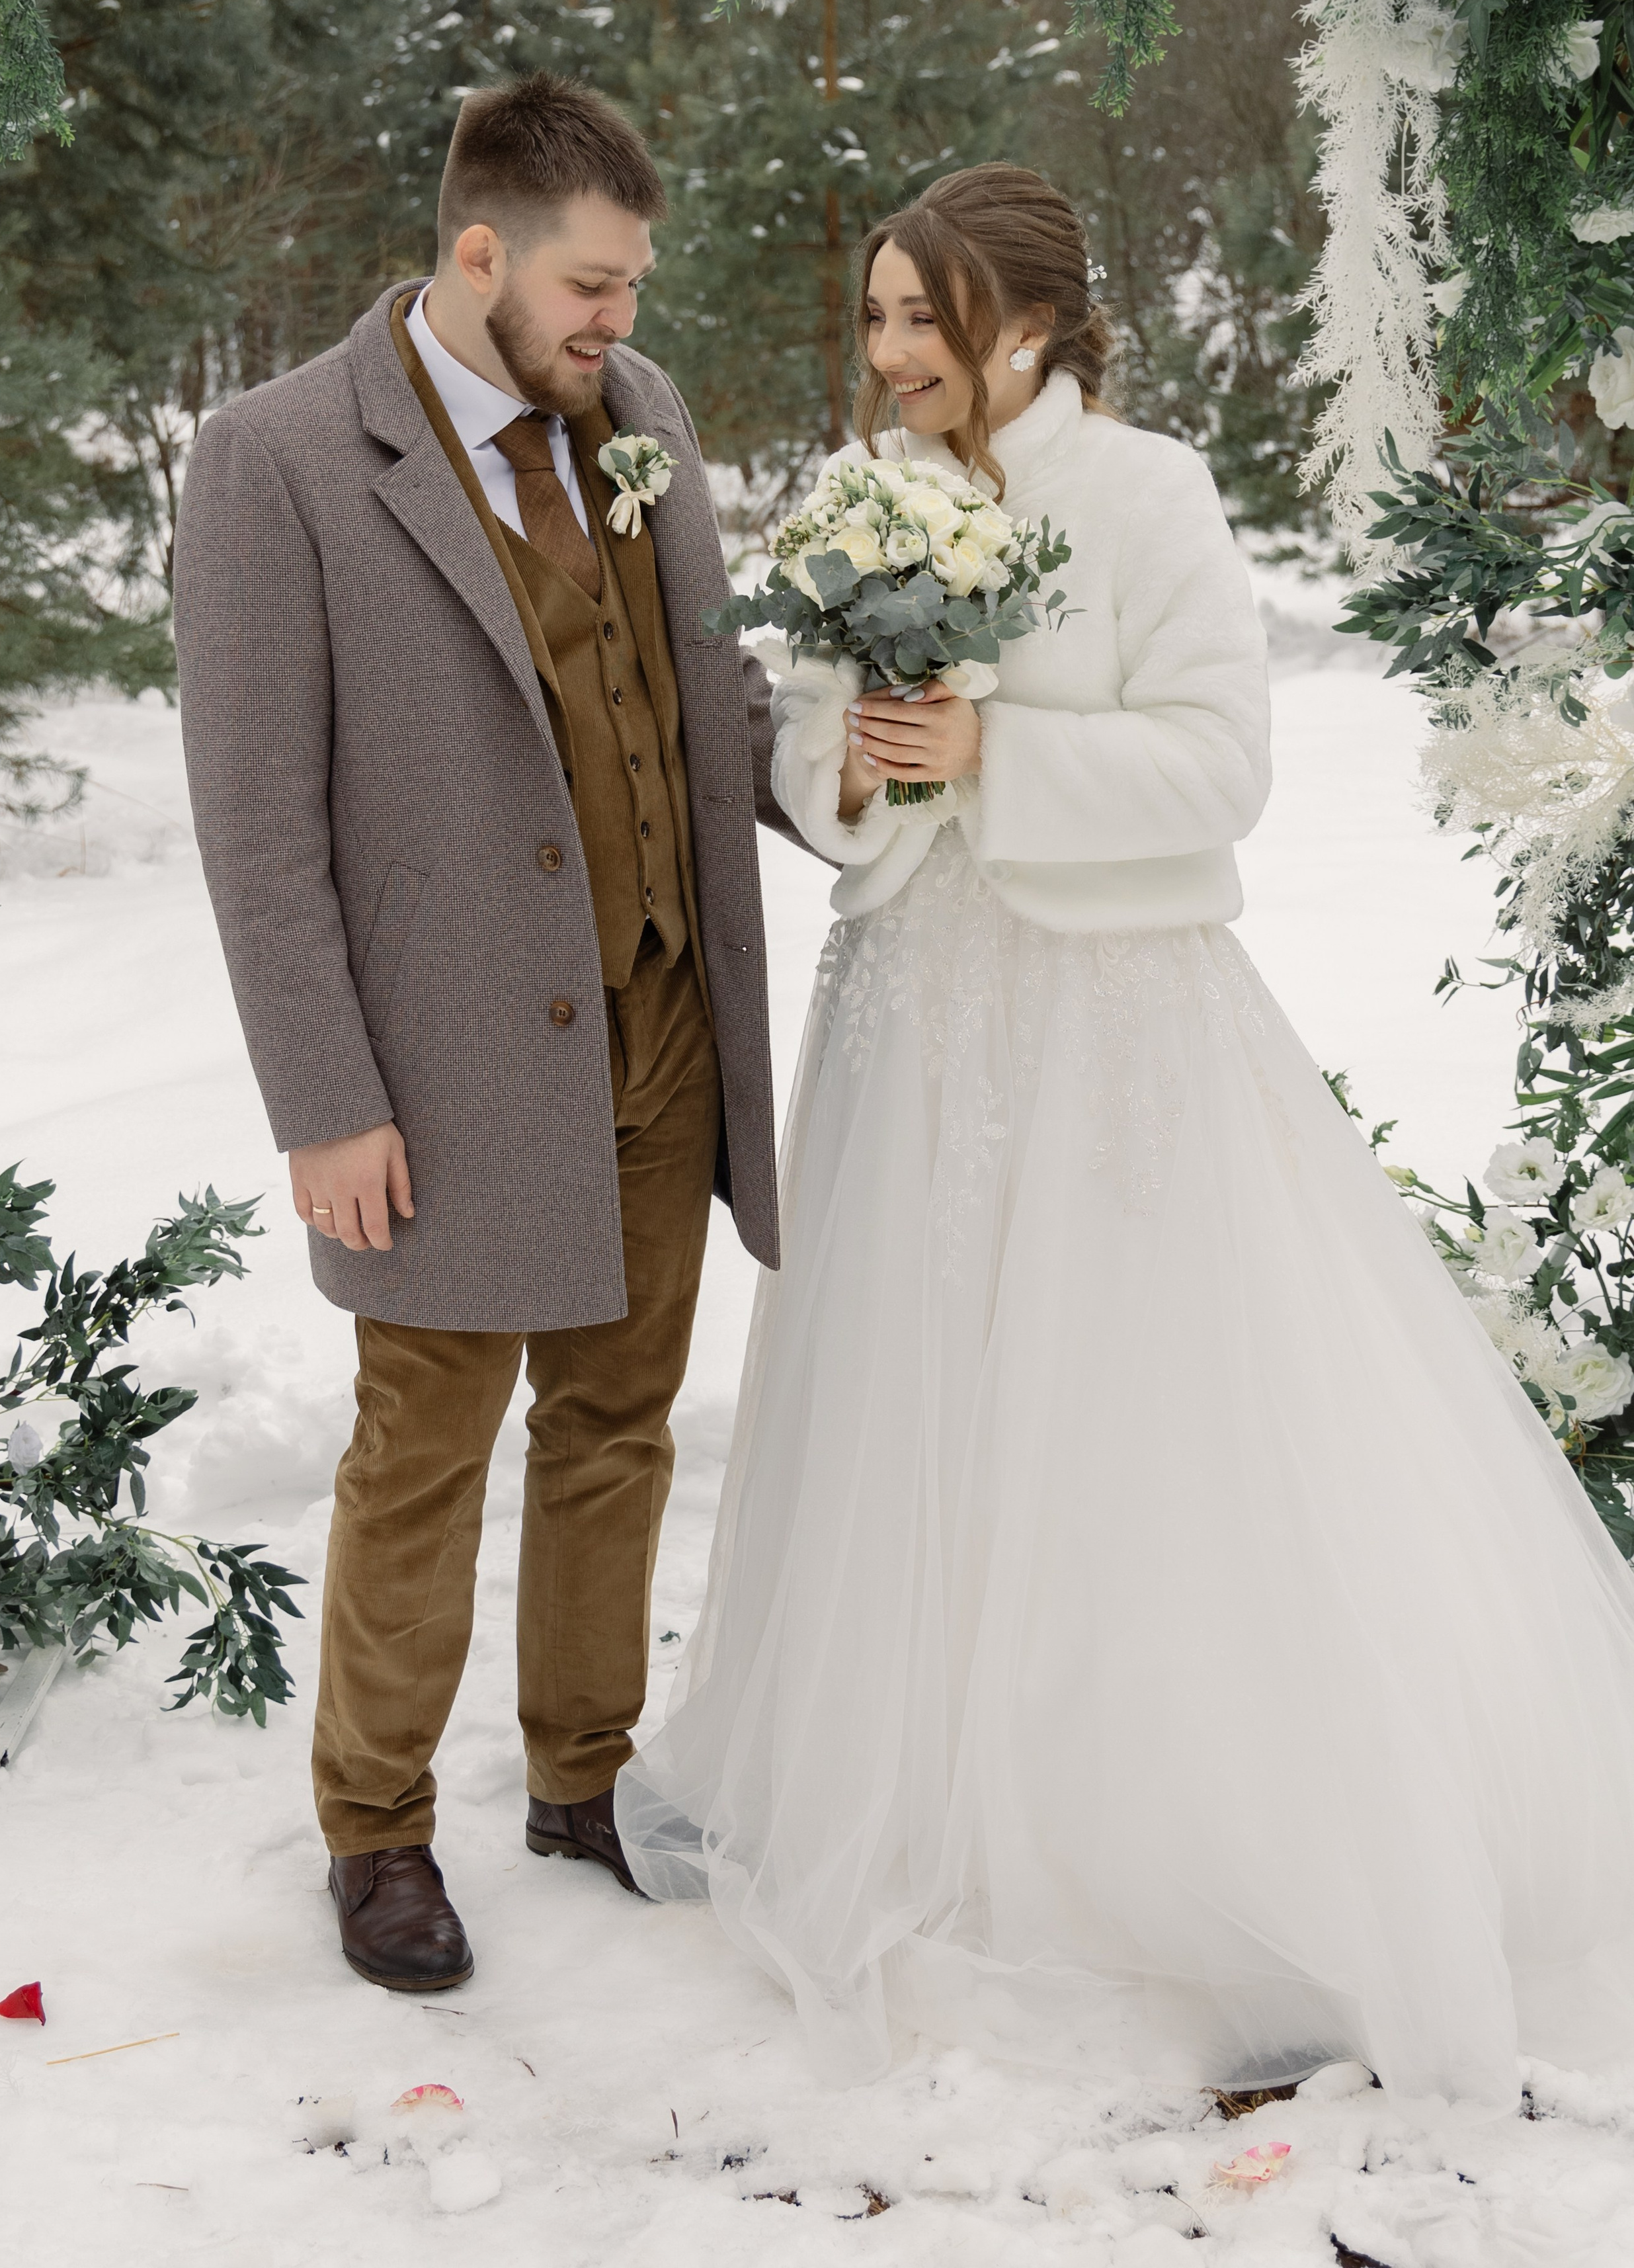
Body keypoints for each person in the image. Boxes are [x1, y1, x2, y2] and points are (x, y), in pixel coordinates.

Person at [615, 162, 1634, 2115]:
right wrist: (849, 761)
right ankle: (913, 1789)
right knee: (924, 1402)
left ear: (1026, 321)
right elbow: (820, 763)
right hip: (916, 1016)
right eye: (879, 319)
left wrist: (1004, 749)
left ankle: (1173, 1830)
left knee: (1137, 1410)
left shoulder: (1149, 497)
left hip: (1118, 1028)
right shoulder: (867, 496)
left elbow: (1226, 764)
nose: (890, 354)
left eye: (923, 318)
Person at [174, 72, 806, 1992]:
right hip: (439, 1075)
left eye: (630, 289)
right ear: (479, 256)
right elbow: (255, 823)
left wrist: (837, 771)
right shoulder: (276, 457)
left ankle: (581, 1779)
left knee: (617, 1427)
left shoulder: (647, 414)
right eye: (595, 287)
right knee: (421, 1452)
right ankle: (375, 1833)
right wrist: (325, 1101)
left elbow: (699, 697)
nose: (622, 322)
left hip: (666, 1020)